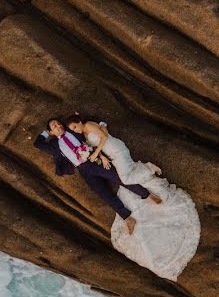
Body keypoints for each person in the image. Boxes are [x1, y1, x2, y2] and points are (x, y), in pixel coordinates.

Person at [65, 116, 201, 281]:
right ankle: (143, 189)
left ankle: (149, 168)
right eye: (72, 130)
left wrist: (97, 153)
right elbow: (104, 128)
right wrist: (101, 156)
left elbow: (104, 137)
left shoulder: (87, 125)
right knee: (125, 177)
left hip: (117, 150)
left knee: (126, 180)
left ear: (79, 122)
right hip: (111, 154)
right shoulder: (86, 135)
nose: (75, 130)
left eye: (74, 126)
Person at [33, 118, 150, 234]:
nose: (59, 126)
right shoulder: (54, 145)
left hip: (94, 160)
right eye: (55, 126)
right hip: (83, 170)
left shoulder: (73, 130)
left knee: (117, 177)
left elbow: (90, 137)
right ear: (52, 132)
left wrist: (101, 156)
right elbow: (37, 144)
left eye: (59, 123)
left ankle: (146, 194)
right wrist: (46, 133)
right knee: (103, 193)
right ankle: (127, 217)